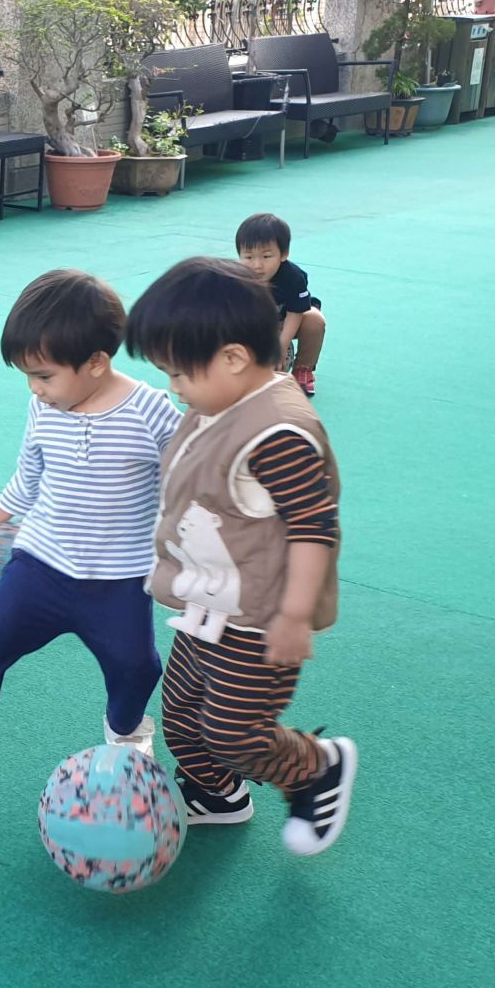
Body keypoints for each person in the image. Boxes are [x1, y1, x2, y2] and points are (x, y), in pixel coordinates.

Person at [0, 269, 181, 764]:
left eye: (44, 376)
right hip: (41, 561)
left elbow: (187, 470)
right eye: (27, 375)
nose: (35, 388)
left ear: (96, 362)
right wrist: (7, 504)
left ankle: (126, 732)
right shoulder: (43, 408)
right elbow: (32, 469)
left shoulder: (149, 410)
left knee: (136, 665)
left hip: (119, 578)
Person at [125, 257, 356, 856]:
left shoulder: (277, 433)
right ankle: (219, 795)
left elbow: (312, 526)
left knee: (233, 731)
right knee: (181, 715)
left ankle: (315, 766)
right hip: (208, 607)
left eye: (179, 372)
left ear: (232, 357)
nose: (173, 387)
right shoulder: (218, 404)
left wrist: (294, 615)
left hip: (259, 621)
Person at [234, 212, 327, 397]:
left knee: (315, 319)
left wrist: (281, 346)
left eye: (266, 256)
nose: (257, 265)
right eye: (248, 257)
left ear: (283, 254)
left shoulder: (293, 277)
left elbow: (295, 312)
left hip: (287, 321)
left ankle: (302, 370)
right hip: (256, 326)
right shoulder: (235, 278)